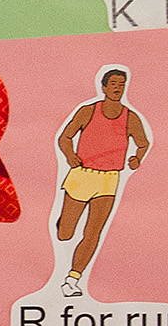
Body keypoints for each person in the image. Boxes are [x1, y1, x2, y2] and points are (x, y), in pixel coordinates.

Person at [53, 68, 152, 297]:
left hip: (108, 180)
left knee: (93, 232)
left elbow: (143, 143)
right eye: (114, 84)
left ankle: (72, 280)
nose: (118, 88)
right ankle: (63, 224)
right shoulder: (88, 111)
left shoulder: (130, 117)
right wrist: (70, 156)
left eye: (122, 84)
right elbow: (65, 137)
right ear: (104, 87)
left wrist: (137, 158)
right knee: (65, 234)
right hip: (82, 175)